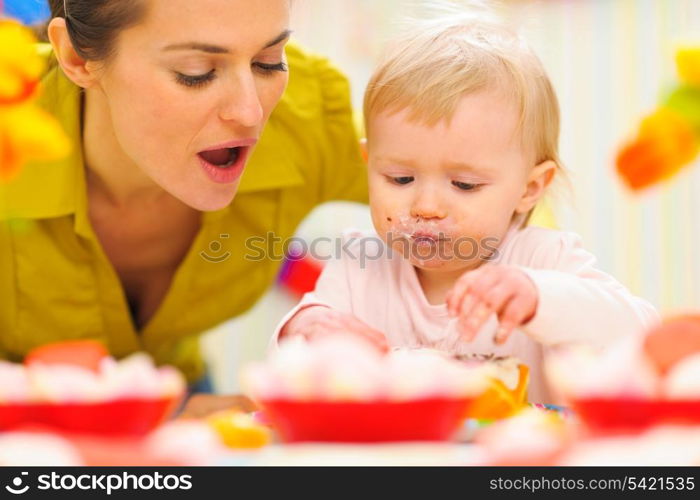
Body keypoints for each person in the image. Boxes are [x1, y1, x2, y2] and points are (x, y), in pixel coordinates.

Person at [274, 5, 659, 403]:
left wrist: (540, 298)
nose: (426, 206)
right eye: (400, 179)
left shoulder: (544, 260)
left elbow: (638, 336)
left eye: (464, 184)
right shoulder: (359, 266)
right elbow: (292, 372)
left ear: (530, 187)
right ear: (369, 164)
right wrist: (306, 326)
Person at [0, 0, 367, 395]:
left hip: (180, 392)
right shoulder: (13, 120)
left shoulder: (306, 119)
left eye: (268, 62)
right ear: (76, 56)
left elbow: (436, 175)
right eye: (197, 73)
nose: (250, 112)